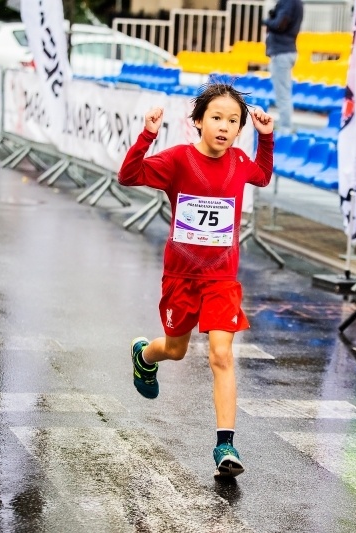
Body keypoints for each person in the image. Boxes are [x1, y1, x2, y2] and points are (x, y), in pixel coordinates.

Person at [117, 84, 274, 479]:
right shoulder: (178, 160)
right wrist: (148, 134)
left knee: (221, 354)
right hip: (182, 276)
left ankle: (225, 444)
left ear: (240, 129)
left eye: (233, 121)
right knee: (174, 350)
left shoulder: (240, 161)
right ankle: (144, 355)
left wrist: (267, 138)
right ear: (199, 121)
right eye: (216, 118)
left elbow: (264, 176)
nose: (224, 126)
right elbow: (128, 175)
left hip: (222, 278)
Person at [264, 0, 303, 135]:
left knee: (283, 94)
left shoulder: (289, 2)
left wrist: (267, 21)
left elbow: (280, 25)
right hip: (285, 51)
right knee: (283, 93)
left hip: (282, 53)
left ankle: (285, 128)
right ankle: (285, 126)